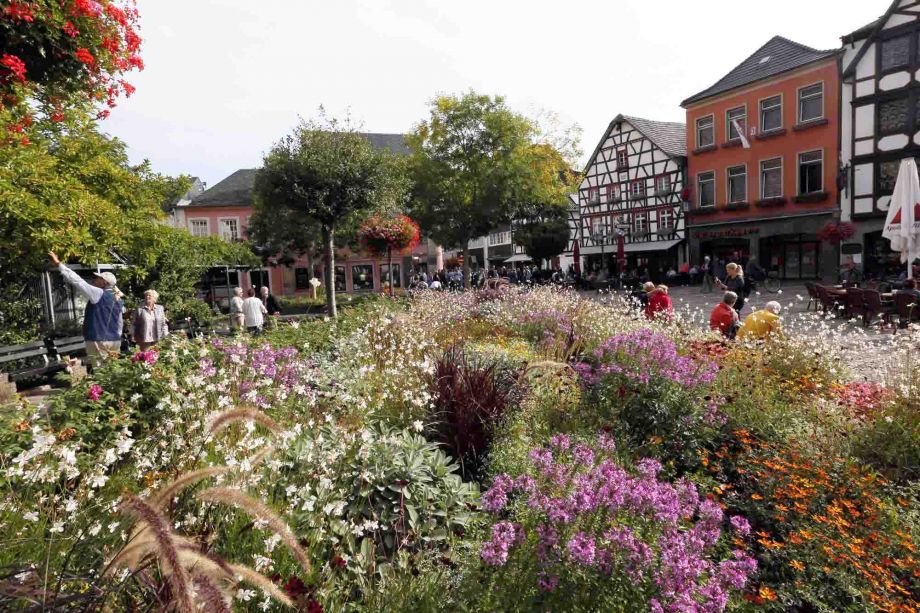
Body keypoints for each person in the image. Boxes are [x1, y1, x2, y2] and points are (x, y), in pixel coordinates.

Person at [49, 251, 124, 368]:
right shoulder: (118, 299)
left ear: (104, 283)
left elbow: (78, 281)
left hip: (98, 339)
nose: (95, 279)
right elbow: (120, 322)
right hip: (115, 340)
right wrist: (117, 335)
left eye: (99, 278)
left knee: (100, 371)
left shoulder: (98, 293)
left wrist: (59, 264)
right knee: (113, 371)